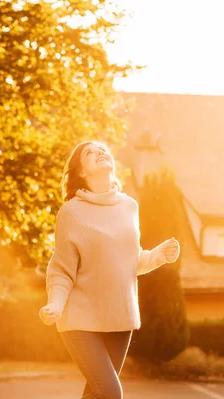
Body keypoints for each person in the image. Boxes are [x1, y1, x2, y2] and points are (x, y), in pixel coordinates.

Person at [39, 141, 180, 399]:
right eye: (90, 153)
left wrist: (159, 255)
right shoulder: (71, 212)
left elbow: (131, 261)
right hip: (79, 321)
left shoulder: (129, 207)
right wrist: (56, 303)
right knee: (112, 394)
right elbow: (62, 269)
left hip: (120, 319)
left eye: (102, 149)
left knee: (96, 395)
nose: (100, 152)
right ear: (81, 172)